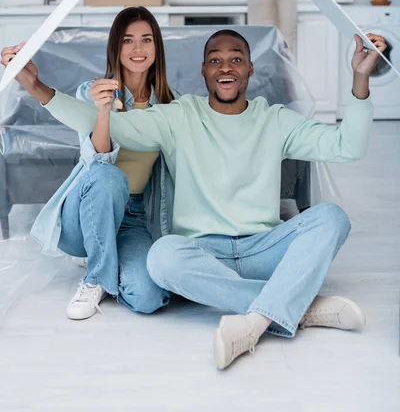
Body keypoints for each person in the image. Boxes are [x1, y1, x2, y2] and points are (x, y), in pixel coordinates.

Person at [1, 28, 386, 369]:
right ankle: (299, 308)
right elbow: (106, 124)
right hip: (201, 253)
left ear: (251, 70)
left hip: (263, 250)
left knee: (332, 217)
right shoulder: (179, 116)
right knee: (162, 256)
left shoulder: (276, 120)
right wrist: (36, 87)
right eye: (215, 60)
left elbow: (346, 146)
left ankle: (254, 321)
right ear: (203, 71)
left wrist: (359, 80)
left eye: (236, 60)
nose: (226, 68)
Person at [1, 7, 176, 320]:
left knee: (149, 296)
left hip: (133, 217)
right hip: (83, 214)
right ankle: (96, 275)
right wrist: (104, 111)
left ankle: (108, 258)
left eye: (146, 40)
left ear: (156, 48)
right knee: (109, 176)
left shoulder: (169, 105)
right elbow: (98, 162)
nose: (138, 49)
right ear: (115, 48)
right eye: (128, 41)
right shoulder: (90, 92)